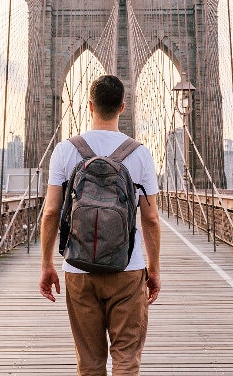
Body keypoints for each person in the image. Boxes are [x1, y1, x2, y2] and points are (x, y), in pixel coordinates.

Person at [39, 74, 161, 376]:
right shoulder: (140, 154)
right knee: (126, 360)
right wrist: (153, 268)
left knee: (90, 363)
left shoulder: (66, 150)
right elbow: (151, 219)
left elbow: (51, 212)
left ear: (89, 106)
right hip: (128, 269)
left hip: (79, 270)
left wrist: (46, 264)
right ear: (123, 107)